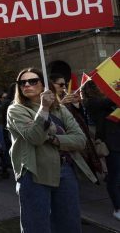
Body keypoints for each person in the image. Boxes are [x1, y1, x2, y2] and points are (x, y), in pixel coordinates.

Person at [7, 68, 97, 232]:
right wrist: (43, 109)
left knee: (69, 224)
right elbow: (35, 137)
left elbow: (80, 139)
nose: (27, 84)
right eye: (22, 82)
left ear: (43, 85)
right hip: (34, 173)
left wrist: (54, 138)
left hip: (65, 171)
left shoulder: (61, 109)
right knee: (36, 226)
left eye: (33, 81)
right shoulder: (16, 110)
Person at [82, 80, 120, 220]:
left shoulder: (104, 101)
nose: (105, 88)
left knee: (116, 176)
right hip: (111, 143)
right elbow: (108, 102)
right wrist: (116, 89)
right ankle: (117, 208)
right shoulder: (91, 102)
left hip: (117, 140)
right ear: (92, 89)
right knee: (114, 177)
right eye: (101, 86)